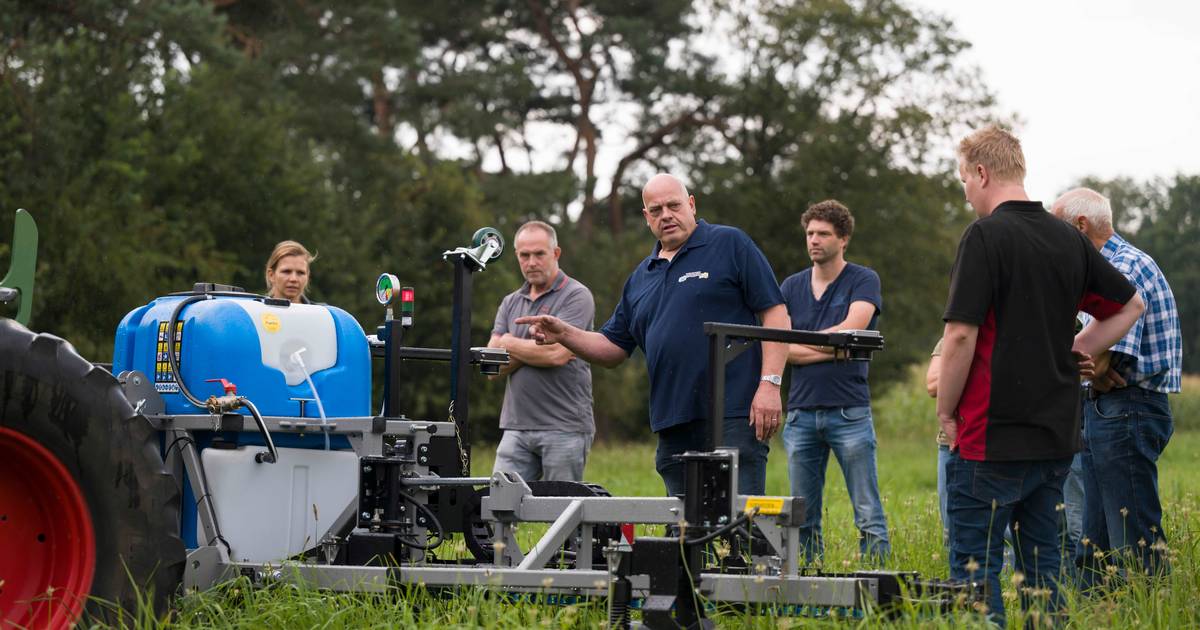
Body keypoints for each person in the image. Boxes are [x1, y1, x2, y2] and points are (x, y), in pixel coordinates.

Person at [937, 125, 1144, 625]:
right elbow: (1130, 303)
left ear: (982, 173)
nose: (965, 191)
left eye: (964, 179)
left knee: (976, 571)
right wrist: (1082, 346)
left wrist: (945, 410)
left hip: (990, 436)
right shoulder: (1067, 239)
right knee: (1042, 572)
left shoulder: (984, 236)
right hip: (1055, 436)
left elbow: (961, 336)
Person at [515, 173, 789, 497]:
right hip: (673, 420)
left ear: (691, 204)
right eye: (656, 210)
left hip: (732, 410)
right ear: (647, 218)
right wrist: (564, 333)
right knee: (685, 532)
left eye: (673, 205)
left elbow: (775, 313)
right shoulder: (640, 278)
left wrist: (770, 384)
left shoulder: (729, 244)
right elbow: (612, 348)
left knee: (741, 524)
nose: (666, 215)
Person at [1052, 187, 1181, 582]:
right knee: (1095, 539)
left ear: (1080, 225)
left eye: (1058, 230)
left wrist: (1089, 362)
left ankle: (1153, 605)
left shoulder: (1124, 266)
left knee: (1133, 531)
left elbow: (1102, 358)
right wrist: (1089, 364)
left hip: (1129, 407)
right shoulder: (1096, 270)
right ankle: (1098, 612)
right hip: (1105, 405)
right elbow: (1090, 362)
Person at [779, 200, 890, 563]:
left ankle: (878, 587)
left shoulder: (863, 279)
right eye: (810, 233)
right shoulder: (791, 286)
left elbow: (851, 331)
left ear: (843, 239)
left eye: (823, 233)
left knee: (868, 512)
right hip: (800, 414)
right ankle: (807, 587)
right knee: (803, 515)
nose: (814, 240)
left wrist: (806, 344)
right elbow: (779, 347)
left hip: (849, 413)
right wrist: (836, 348)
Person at [487, 221, 596, 482]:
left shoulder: (576, 296)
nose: (531, 262)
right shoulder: (510, 302)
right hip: (516, 427)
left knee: (562, 511)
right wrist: (531, 348)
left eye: (539, 254)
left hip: (564, 426)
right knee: (497, 506)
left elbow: (556, 355)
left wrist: (509, 342)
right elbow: (491, 368)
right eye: (524, 255)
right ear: (517, 256)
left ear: (556, 254)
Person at [926, 338, 950, 547]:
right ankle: (962, 579)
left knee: (1004, 531)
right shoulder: (950, 338)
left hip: (996, 442)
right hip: (950, 443)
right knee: (951, 529)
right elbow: (932, 384)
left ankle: (1008, 579)